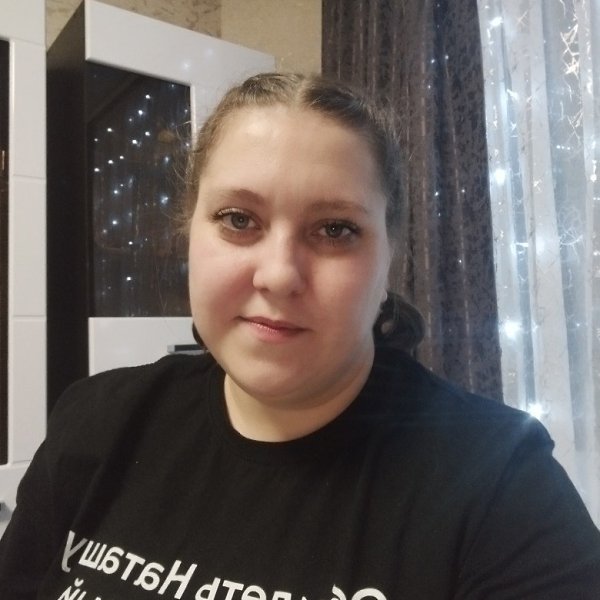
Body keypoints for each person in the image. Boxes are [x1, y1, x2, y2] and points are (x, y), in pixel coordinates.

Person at [1, 72, 599, 599]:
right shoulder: (100, 419)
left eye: (335, 229)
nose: (279, 275)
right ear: (189, 230)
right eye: (239, 220)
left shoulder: (499, 485)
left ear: (390, 258)